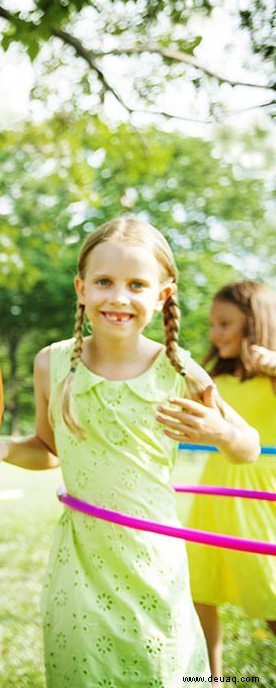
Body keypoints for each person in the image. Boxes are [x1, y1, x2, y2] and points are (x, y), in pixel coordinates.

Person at [0, 217, 260, 686]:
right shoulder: (53, 363)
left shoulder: (178, 370)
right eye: (104, 282)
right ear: (82, 288)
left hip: (152, 557)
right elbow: (49, 450)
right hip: (81, 560)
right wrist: (8, 448)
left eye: (136, 284)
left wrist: (220, 430)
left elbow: (248, 448)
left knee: (160, 670)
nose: (118, 297)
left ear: (161, 295)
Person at [185, 280, 276, 677]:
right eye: (212, 324)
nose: (216, 333)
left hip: (257, 493)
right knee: (199, 588)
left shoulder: (271, 377)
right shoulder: (212, 382)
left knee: (268, 592)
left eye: (225, 323)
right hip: (214, 490)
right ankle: (211, 679)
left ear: (255, 325)